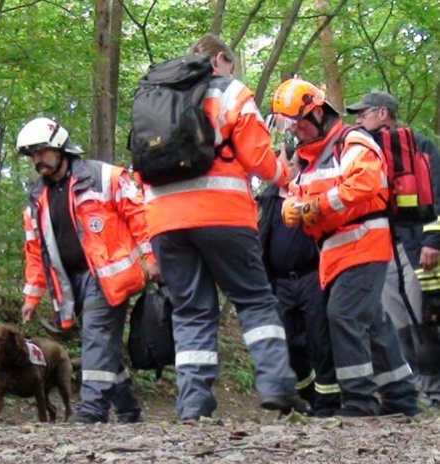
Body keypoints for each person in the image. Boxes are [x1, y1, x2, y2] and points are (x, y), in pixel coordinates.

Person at [138, 33, 310, 422]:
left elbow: (140, 165)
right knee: (254, 299)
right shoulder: (230, 91)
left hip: (164, 220)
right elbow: (258, 159)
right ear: (220, 59)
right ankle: (277, 385)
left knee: (191, 310)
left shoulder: (156, 96)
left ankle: (193, 402)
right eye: (231, 64)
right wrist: (286, 173)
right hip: (222, 215)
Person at [272, 79, 418, 416]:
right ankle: (401, 396)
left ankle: (359, 401)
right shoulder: (308, 159)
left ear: (319, 112)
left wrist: (317, 206)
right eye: (290, 125)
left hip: (364, 241)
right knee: (374, 321)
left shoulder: (351, 141)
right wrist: (291, 210)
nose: (296, 131)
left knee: (343, 315)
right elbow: (293, 195)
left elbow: (364, 183)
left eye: (300, 122)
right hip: (336, 252)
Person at [16, 118, 160, 424]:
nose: (37, 159)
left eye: (42, 151)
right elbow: (35, 250)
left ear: (61, 148)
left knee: (96, 337)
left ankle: (92, 408)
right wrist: (33, 295)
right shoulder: (36, 198)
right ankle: (129, 411)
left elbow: (139, 215)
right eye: (33, 154)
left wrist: (151, 256)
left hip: (109, 274)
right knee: (103, 344)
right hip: (70, 281)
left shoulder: (102, 177)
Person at [345, 91, 440, 406]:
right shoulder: (367, 153)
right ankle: (412, 388)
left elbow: (436, 194)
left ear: (383, 113)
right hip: (381, 248)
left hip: (417, 249)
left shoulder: (420, 146)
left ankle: (434, 389)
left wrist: (432, 241)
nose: (358, 120)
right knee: (396, 321)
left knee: (422, 317)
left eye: (364, 113)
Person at [258, 147, 341, 416]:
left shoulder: (309, 195)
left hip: (311, 278)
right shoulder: (268, 199)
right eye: (284, 163)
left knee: (319, 341)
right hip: (279, 283)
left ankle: (327, 404)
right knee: (289, 343)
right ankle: (301, 397)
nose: (286, 167)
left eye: (291, 163)